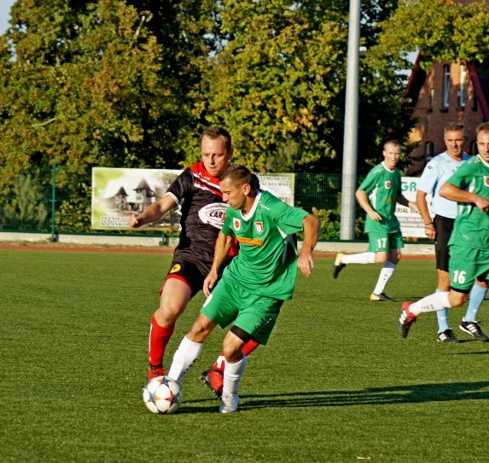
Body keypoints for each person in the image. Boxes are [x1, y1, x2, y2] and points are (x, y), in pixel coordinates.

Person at [167, 165, 320, 413]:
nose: (224, 198)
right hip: (234, 281)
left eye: (228, 193)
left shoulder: (271, 209)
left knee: (231, 347)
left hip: (266, 293)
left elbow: (310, 220)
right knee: (198, 328)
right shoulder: (234, 210)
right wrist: (215, 270)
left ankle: (229, 395)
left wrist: (305, 251)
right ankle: (171, 383)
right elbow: (226, 236)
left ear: (245, 188)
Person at [130, 127, 260, 386]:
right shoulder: (193, 175)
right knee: (169, 310)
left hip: (230, 265)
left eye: (217, 155)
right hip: (192, 257)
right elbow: (162, 206)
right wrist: (143, 218)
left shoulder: (244, 183)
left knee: (261, 317)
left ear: (230, 154)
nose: (210, 160)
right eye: (206, 154)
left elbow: (258, 218)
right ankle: (156, 370)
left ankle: (220, 368)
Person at [398, 122, 489, 340]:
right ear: (477, 144)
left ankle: (469, 320)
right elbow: (445, 190)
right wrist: (475, 198)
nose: (487, 148)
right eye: (483, 144)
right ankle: (413, 310)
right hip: (466, 240)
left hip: (485, 241)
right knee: (455, 296)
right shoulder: (471, 166)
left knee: (482, 282)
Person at [332, 140, 419, 301]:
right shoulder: (378, 172)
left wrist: (411, 204)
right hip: (377, 221)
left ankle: (377, 293)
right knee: (381, 257)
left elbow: (398, 195)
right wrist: (370, 211)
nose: (394, 157)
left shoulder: (397, 173)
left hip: (391, 221)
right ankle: (343, 259)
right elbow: (360, 192)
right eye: (391, 153)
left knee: (395, 256)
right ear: (384, 153)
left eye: (397, 153)